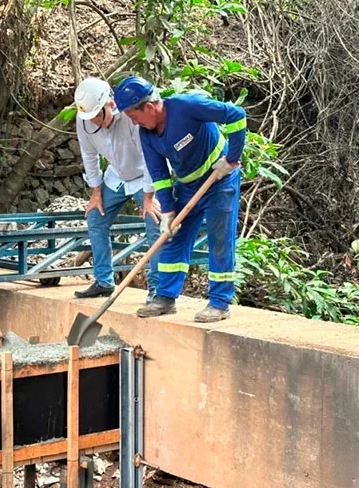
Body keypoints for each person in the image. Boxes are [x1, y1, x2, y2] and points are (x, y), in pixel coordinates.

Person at [113, 77, 246, 323]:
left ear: (149, 108)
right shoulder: (147, 133)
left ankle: (220, 302)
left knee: (219, 239)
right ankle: (165, 297)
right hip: (187, 186)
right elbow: (159, 174)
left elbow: (236, 114)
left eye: (134, 116)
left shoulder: (187, 106)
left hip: (219, 180)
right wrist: (168, 211)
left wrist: (232, 158)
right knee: (174, 237)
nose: (134, 122)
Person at [72, 77, 162, 301]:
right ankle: (104, 280)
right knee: (95, 218)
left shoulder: (131, 118)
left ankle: (157, 289)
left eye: (97, 116)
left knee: (155, 224)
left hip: (145, 176)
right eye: (89, 117)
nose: (93, 122)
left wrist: (150, 197)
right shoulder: (84, 120)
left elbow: (150, 157)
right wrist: (95, 191)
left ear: (110, 105)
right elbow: (89, 155)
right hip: (117, 176)